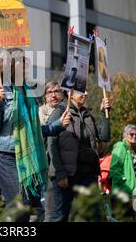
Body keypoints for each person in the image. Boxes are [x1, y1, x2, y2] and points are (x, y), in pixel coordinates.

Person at [0, 48, 48, 221]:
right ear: (12, 65)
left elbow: (34, 129)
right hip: (6, 154)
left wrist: (57, 125)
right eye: (22, 60)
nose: (27, 63)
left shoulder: (28, 90)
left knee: (29, 208)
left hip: (28, 154)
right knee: (19, 205)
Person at [44, 90, 111, 222]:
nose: (85, 93)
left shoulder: (87, 115)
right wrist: (60, 172)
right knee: (59, 217)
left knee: (94, 216)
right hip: (66, 175)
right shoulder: (60, 112)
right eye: (81, 90)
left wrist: (105, 113)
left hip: (87, 175)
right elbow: (51, 144)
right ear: (70, 93)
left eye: (86, 91)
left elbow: (105, 136)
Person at [39, 81, 64, 222]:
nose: (54, 95)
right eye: (50, 92)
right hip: (45, 164)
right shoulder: (40, 113)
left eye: (57, 91)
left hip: (64, 164)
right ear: (45, 96)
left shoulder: (65, 110)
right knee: (47, 206)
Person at [109, 124, 136, 221]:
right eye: (131, 134)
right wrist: (124, 185)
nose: (135, 136)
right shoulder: (121, 147)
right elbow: (114, 169)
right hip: (124, 192)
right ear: (125, 136)